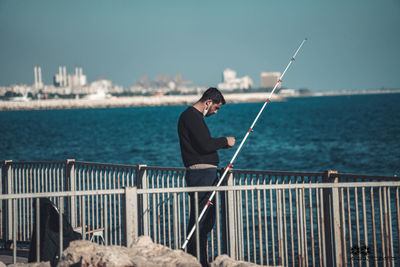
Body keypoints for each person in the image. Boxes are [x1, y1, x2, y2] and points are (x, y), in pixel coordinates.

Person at [177, 87, 235, 267]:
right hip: (201, 175)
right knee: (201, 220)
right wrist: (226, 141)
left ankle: (197, 259)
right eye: (216, 108)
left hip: (205, 175)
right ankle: (196, 260)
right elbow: (204, 144)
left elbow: (203, 144)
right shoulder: (191, 117)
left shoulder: (193, 117)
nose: (216, 112)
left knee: (205, 220)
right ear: (208, 102)